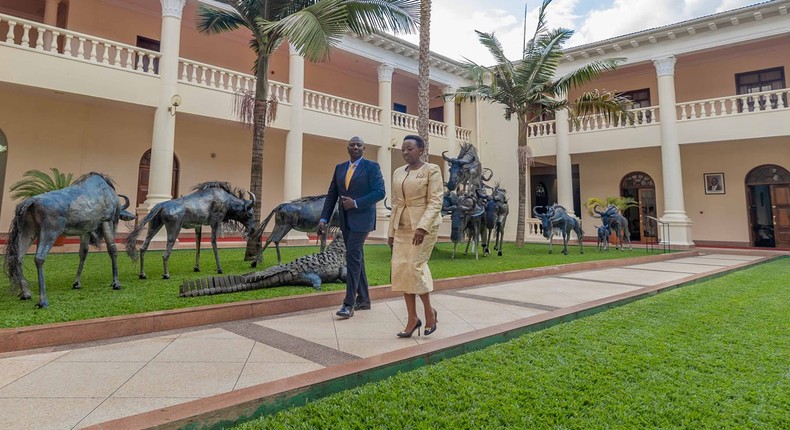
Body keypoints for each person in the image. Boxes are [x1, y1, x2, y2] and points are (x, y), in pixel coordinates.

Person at [319, 136, 385, 319]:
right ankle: (364, 299)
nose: (355, 147)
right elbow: (332, 194)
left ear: (364, 148)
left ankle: (349, 304)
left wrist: (356, 203)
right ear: (347, 148)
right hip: (345, 220)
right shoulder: (340, 168)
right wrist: (324, 218)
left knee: (352, 257)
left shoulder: (372, 167)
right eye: (352, 145)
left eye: (359, 145)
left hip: (362, 219)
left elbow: (380, 192)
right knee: (357, 257)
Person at [388, 135, 444, 337]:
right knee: (402, 269)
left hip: (423, 228)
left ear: (421, 150)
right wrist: (390, 231)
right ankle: (412, 318)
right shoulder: (397, 172)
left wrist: (422, 227)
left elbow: (436, 202)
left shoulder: (432, 170)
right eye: (403, 149)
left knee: (415, 267)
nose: (405, 152)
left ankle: (429, 312)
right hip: (401, 227)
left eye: (409, 148)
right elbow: (396, 203)